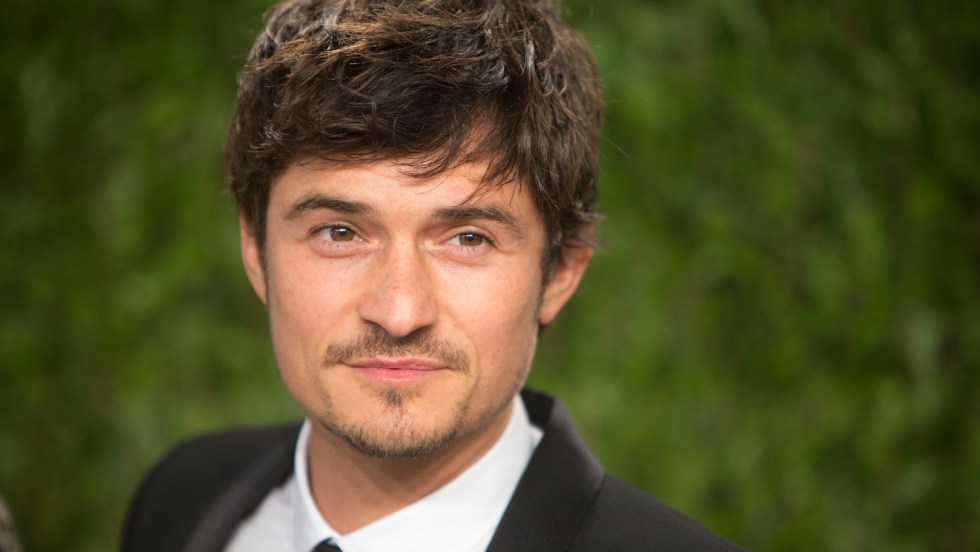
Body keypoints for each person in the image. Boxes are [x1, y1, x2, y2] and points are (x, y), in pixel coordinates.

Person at [122, 0, 745, 550]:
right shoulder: (181, 500)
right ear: (255, 251)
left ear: (559, 273)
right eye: (339, 233)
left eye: (468, 239)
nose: (399, 312)